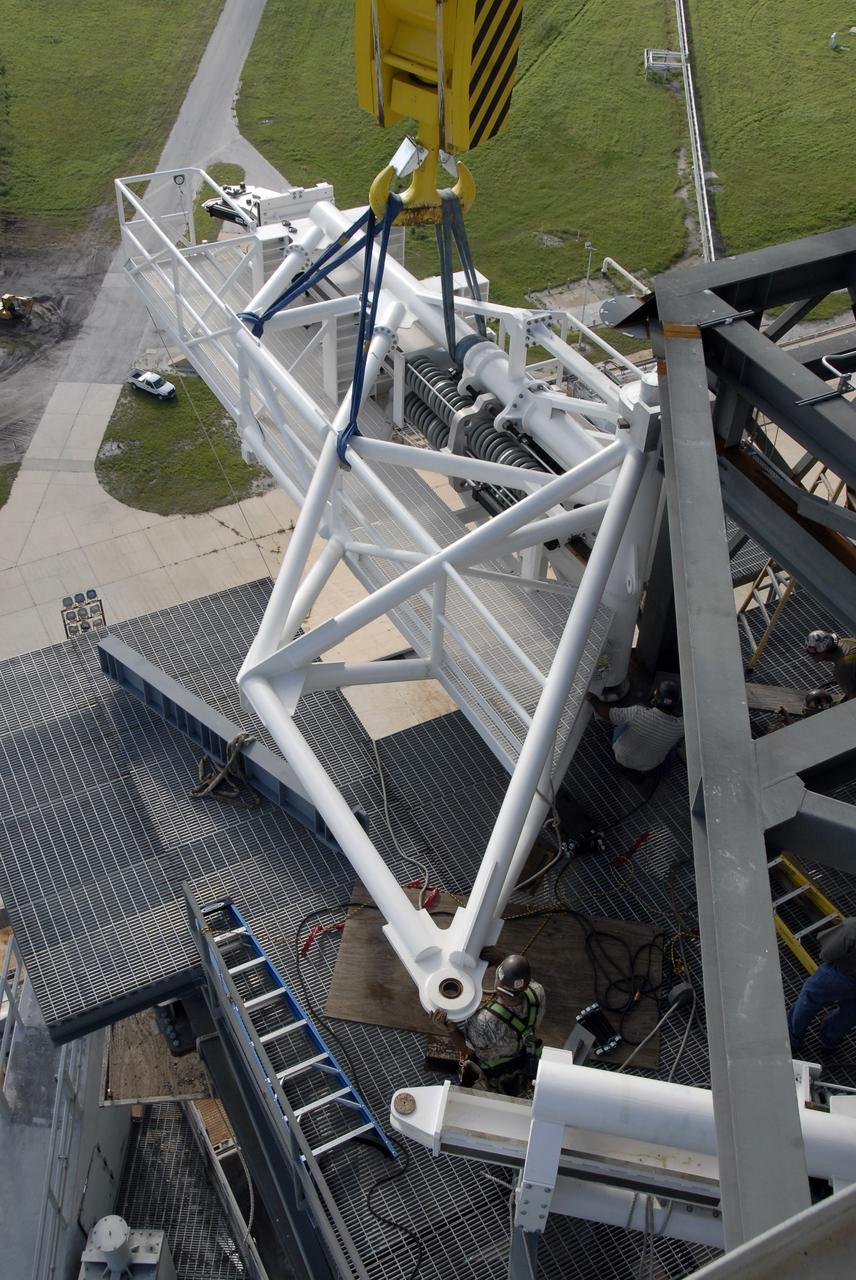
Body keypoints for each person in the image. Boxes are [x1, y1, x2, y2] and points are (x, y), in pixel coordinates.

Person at [432, 953, 545, 1096]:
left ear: (498, 983)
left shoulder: (483, 1021)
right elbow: (521, 981)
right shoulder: (538, 992)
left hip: (492, 1073)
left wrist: (450, 1029)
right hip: (522, 1060)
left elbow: (467, 1050)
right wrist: (500, 960)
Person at [587, 680, 684, 778]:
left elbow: (608, 714)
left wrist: (592, 698)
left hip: (621, 756)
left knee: (622, 722)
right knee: (675, 745)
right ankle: (659, 774)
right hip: (648, 766)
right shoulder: (681, 727)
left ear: (655, 698)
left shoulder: (637, 712)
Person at [788, 918, 856, 1056]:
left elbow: (827, 953)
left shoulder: (853, 927)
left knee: (809, 998)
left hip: (841, 975)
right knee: (850, 1013)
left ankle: (793, 1038)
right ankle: (830, 1041)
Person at [804, 630, 856, 701]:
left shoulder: (841, 670)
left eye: (814, 655)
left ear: (825, 653)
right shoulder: (846, 641)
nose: (816, 659)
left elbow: (853, 699)